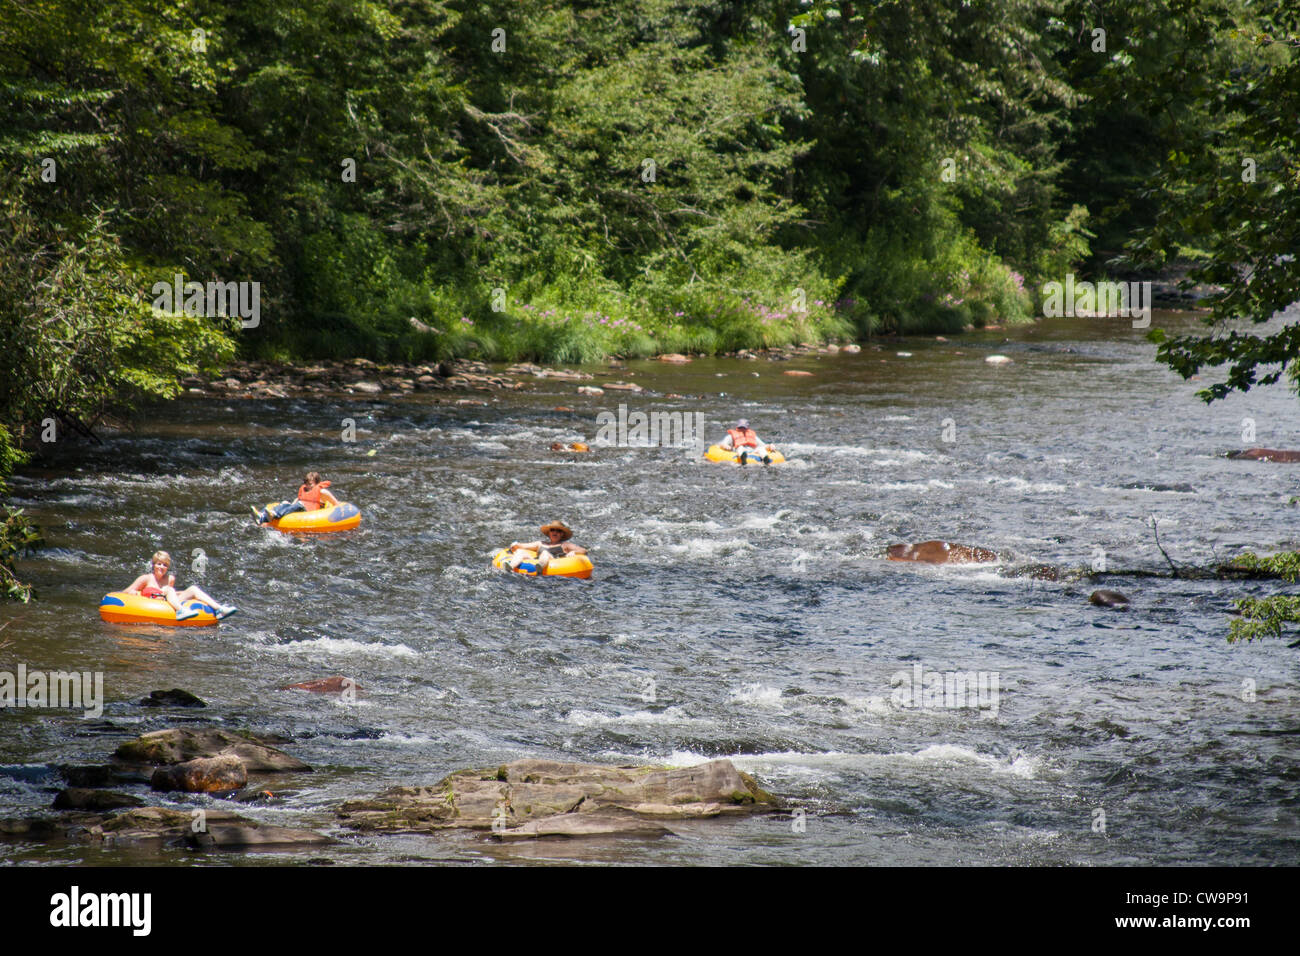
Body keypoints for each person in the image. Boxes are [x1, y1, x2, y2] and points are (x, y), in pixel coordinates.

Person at [125, 551, 237, 621]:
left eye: (165, 565)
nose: (161, 567)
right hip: (151, 603)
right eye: (159, 564)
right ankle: (180, 611)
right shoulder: (146, 578)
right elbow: (125, 592)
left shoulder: (170, 579)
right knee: (168, 589)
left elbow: (171, 593)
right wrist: (133, 593)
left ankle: (219, 609)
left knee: (193, 589)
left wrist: (181, 593)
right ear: (154, 565)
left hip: (166, 604)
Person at [253, 471, 340, 524]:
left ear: (317, 483)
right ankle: (263, 516)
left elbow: (336, 504)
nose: (308, 486)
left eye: (310, 484)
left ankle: (274, 515)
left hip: (313, 512)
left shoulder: (322, 492)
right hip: (302, 507)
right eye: (306, 484)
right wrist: (290, 505)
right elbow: (299, 499)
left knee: (300, 504)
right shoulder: (305, 489)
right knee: (285, 503)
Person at [506, 521, 588, 573]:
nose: (555, 532)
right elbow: (523, 546)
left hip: (554, 562)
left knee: (545, 553)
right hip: (536, 561)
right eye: (552, 530)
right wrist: (515, 545)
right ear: (549, 533)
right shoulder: (540, 543)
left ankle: (539, 568)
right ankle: (510, 567)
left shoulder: (565, 545)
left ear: (562, 534)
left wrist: (574, 552)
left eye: (558, 531)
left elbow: (583, 550)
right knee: (520, 552)